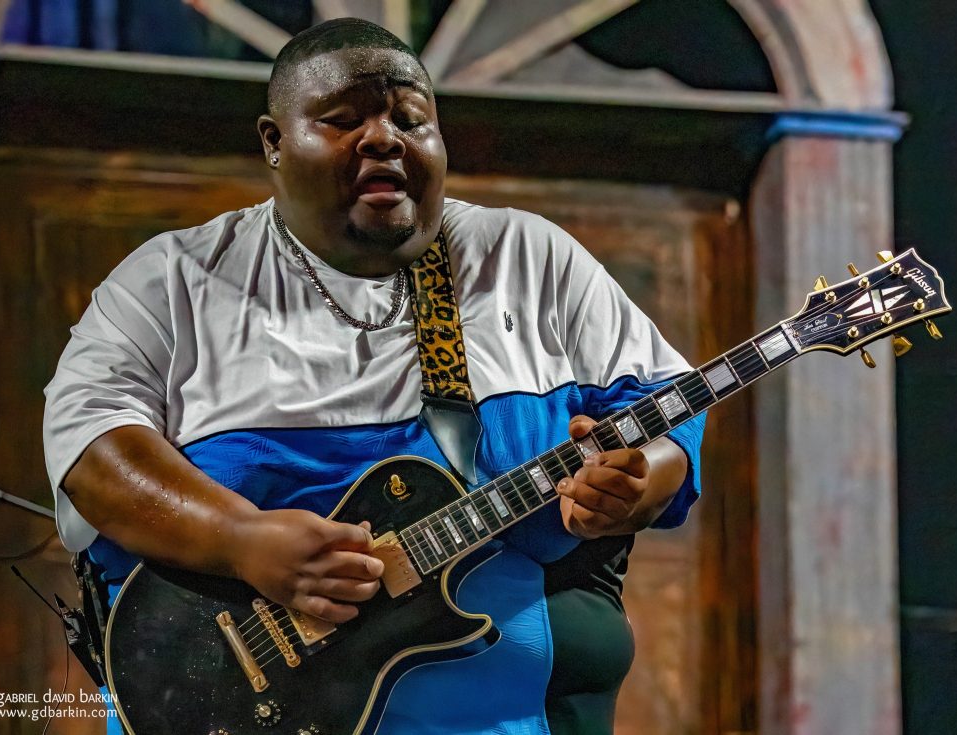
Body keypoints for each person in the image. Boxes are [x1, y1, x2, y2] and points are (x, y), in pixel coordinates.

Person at [43, 18, 705, 735]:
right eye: (343, 120)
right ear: (273, 142)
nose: (384, 138)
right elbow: (92, 448)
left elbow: (662, 411)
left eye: (410, 120)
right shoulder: (173, 279)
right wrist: (241, 539)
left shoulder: (524, 257)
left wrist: (641, 481)